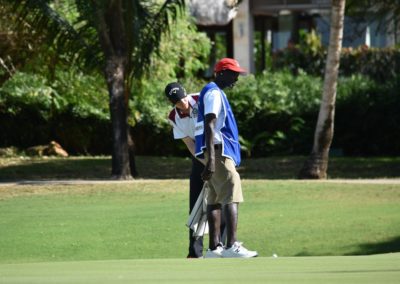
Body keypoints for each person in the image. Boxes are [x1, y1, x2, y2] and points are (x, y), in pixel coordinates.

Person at [194, 58, 258, 258]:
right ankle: (231, 246)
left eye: (237, 74)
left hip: (213, 151)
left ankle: (214, 249)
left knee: (214, 198)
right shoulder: (213, 92)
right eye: (233, 73)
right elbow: (210, 124)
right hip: (218, 151)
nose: (236, 78)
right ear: (220, 73)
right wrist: (212, 160)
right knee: (232, 191)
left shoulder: (212, 91)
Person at [164, 82, 207, 258]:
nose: (182, 103)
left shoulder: (202, 99)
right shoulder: (174, 117)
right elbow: (189, 143)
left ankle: (222, 247)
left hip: (218, 151)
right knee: (196, 204)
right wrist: (205, 162)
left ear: (186, 93)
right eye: (177, 101)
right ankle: (195, 252)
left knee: (222, 201)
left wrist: (214, 160)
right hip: (199, 157)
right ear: (172, 102)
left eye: (183, 98)